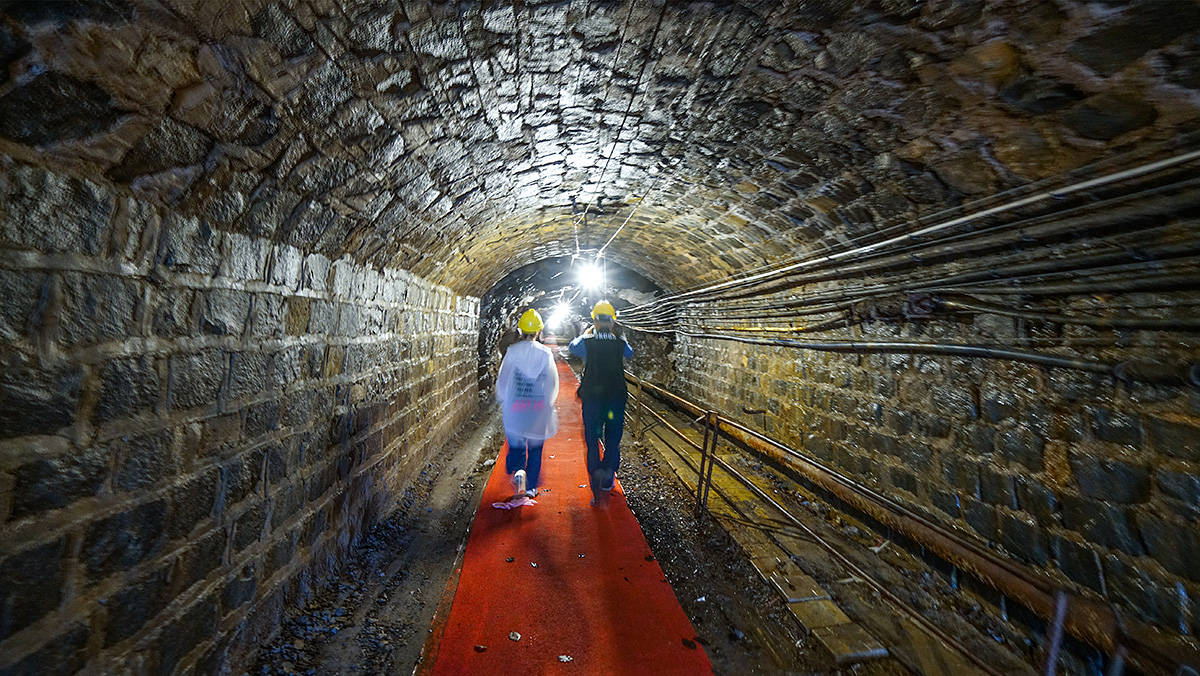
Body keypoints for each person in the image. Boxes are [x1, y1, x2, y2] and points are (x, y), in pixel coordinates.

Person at [568, 301, 634, 504]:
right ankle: (608, 474)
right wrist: (618, 337)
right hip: (614, 401)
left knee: (592, 438)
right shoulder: (620, 344)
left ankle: (595, 475)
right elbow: (629, 354)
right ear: (612, 322)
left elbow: (573, 347)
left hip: (593, 402)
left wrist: (587, 332)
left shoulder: (587, 342)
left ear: (595, 321)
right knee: (613, 438)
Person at [495, 309, 559, 500]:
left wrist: (503, 400)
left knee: (516, 444)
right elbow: (552, 382)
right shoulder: (545, 353)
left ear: (520, 331)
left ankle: (517, 472)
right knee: (535, 449)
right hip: (537, 408)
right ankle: (531, 487)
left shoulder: (512, 352)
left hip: (516, 407)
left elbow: (503, 379)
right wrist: (548, 402)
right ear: (539, 331)